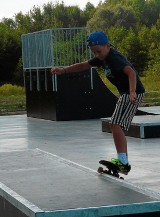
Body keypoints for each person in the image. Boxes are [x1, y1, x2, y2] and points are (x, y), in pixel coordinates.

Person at [51, 31, 145, 174]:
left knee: (115, 124)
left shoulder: (114, 57)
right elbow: (83, 65)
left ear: (107, 46)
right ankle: (123, 161)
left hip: (133, 92)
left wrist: (132, 92)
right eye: (94, 52)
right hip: (127, 94)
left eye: (99, 51)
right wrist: (63, 71)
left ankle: (123, 162)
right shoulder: (101, 58)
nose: (97, 55)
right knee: (115, 125)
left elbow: (131, 73)